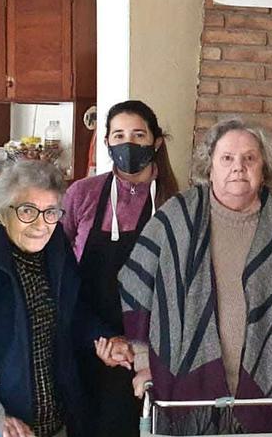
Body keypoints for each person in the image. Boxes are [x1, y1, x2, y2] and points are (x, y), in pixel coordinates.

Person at [118, 117, 272, 434]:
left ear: (263, 168)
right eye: (227, 158)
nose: (238, 167)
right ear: (209, 166)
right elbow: (136, 288)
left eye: (249, 158)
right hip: (184, 386)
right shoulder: (175, 218)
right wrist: (143, 364)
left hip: (269, 382)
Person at [0, 160, 132, 437]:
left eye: (51, 212)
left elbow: (71, 312)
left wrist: (104, 340)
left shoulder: (54, 246)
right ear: (2, 209)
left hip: (56, 423)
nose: (41, 225)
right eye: (28, 211)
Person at [62, 100, 178, 436]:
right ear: (108, 143)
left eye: (138, 135)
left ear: (155, 143)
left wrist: (142, 352)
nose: (128, 143)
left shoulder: (175, 203)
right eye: (119, 135)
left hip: (152, 357)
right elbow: (60, 273)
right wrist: (100, 337)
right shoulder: (81, 195)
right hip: (90, 346)